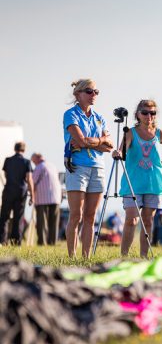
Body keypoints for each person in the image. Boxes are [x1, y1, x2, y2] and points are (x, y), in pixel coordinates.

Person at [112, 99, 162, 257]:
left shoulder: (158, 133)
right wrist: (117, 153)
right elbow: (122, 150)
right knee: (131, 220)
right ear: (137, 114)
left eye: (152, 113)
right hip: (133, 183)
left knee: (148, 221)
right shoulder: (130, 132)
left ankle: (143, 257)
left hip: (154, 183)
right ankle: (124, 256)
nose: (149, 116)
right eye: (145, 112)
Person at [63, 78, 113, 257]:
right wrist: (100, 141)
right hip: (78, 168)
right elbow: (80, 140)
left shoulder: (100, 118)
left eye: (96, 92)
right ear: (78, 94)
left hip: (98, 168)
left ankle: (86, 257)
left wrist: (90, 142)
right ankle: (72, 257)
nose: (94, 95)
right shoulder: (71, 114)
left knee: (91, 217)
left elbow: (109, 147)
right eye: (90, 92)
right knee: (76, 215)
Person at [0, 142, 34, 245]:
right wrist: (32, 195)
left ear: (15, 148)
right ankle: (16, 241)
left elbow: (5, 174)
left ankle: (2, 240)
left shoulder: (8, 160)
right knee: (18, 217)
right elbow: (29, 179)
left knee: (4, 216)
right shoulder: (26, 162)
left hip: (8, 190)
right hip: (21, 192)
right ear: (24, 150)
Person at [30, 152, 62, 245]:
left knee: (41, 221)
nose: (33, 163)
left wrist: (31, 194)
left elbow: (32, 182)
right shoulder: (52, 166)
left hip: (42, 198)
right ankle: (52, 242)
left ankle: (42, 242)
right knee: (54, 222)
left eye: (33, 161)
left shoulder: (39, 167)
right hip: (56, 197)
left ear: (37, 158)